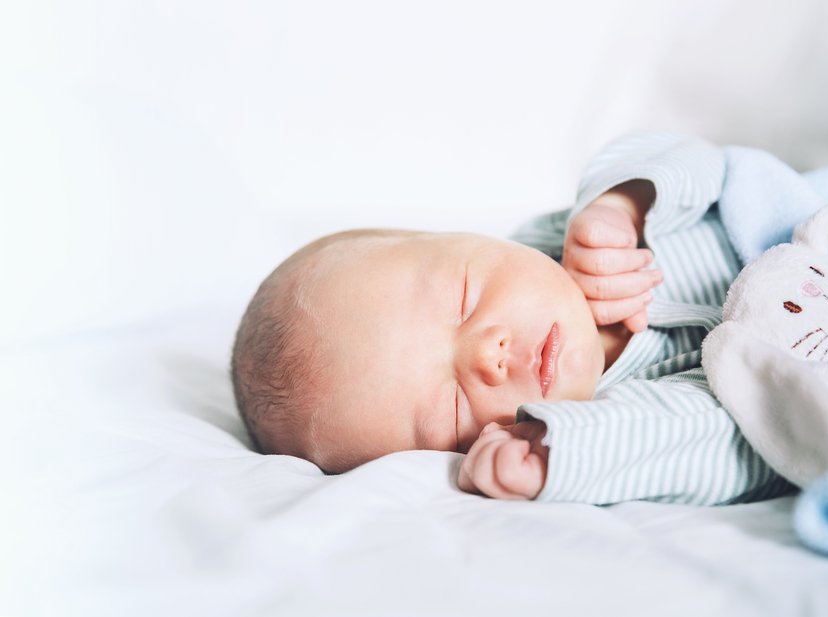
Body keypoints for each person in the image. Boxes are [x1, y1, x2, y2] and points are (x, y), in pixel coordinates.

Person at [230, 131, 793, 504]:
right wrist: (558, 456)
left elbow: (700, 160)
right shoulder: (612, 421)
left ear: (466, 238)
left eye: (464, 298)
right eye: (451, 411)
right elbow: (743, 441)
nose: (486, 355)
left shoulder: (559, 240)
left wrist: (624, 201)